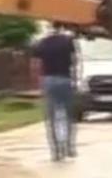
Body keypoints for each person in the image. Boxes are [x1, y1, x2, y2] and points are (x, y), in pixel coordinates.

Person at [30, 24, 79, 161]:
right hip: (65, 78)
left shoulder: (41, 43)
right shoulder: (68, 41)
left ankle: (56, 151)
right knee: (69, 116)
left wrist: (39, 83)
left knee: (51, 118)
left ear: (49, 28)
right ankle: (70, 147)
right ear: (61, 27)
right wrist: (75, 80)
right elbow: (75, 62)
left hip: (49, 80)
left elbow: (35, 65)